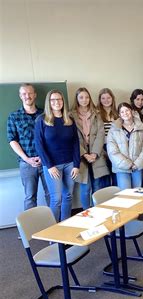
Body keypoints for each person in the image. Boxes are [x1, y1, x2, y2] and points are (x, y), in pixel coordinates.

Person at [34, 90, 80, 222]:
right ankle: (53, 232)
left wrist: (76, 165)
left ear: (63, 101)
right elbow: (39, 145)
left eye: (59, 99)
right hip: (52, 166)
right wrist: (49, 166)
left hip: (70, 164)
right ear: (49, 102)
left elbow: (76, 143)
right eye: (53, 100)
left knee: (68, 196)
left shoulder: (69, 120)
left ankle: (65, 226)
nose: (56, 102)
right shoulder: (41, 120)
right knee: (56, 199)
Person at [7, 83, 50, 210]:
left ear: (35, 95)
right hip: (26, 164)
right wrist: (27, 159)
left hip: (47, 161)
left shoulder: (45, 114)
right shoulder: (14, 117)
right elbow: (12, 140)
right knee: (30, 197)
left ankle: (55, 225)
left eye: (30, 93)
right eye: (24, 94)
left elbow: (51, 138)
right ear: (20, 96)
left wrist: (44, 157)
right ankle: (31, 229)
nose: (27, 96)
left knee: (52, 195)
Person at [69, 87, 109, 210]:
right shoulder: (71, 115)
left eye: (87, 97)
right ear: (77, 99)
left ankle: (98, 213)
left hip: (96, 155)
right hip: (80, 156)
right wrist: (84, 154)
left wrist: (95, 154)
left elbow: (101, 134)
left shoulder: (96, 113)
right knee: (85, 188)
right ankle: (87, 214)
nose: (84, 100)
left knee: (97, 187)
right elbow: (72, 137)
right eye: (81, 97)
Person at [107, 102, 143, 190]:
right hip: (122, 168)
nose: (125, 113)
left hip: (137, 167)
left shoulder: (141, 128)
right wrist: (127, 164)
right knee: (125, 197)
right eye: (122, 112)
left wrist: (136, 164)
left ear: (132, 111)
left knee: (138, 195)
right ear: (119, 114)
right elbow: (112, 151)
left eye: (127, 110)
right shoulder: (114, 129)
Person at [97, 88, 119, 186]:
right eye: (103, 98)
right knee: (104, 178)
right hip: (102, 148)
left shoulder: (118, 113)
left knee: (116, 176)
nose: (106, 100)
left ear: (112, 98)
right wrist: (101, 149)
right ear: (100, 100)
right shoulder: (96, 114)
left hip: (116, 148)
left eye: (108, 98)